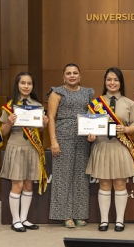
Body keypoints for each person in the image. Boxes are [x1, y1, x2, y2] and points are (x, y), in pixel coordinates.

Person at [86, 67, 134, 232]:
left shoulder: (129, 103)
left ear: (121, 82)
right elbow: (90, 126)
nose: (112, 83)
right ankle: (104, 221)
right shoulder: (96, 104)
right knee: (103, 183)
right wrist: (91, 136)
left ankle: (119, 221)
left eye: (116, 80)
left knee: (119, 183)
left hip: (121, 147)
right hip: (102, 146)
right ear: (105, 81)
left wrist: (125, 130)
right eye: (109, 79)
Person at [47, 63, 95, 228]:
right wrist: (53, 140)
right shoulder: (57, 92)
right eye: (69, 73)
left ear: (80, 76)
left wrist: (93, 132)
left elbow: (92, 115)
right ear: (64, 76)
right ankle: (65, 215)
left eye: (75, 73)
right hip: (63, 136)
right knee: (62, 176)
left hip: (83, 138)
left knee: (81, 177)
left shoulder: (88, 92)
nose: (72, 75)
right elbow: (51, 117)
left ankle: (79, 214)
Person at [0, 72, 49, 232]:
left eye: (29, 83)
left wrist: (44, 124)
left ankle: (24, 219)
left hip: (32, 148)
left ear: (32, 86)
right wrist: (8, 122)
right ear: (18, 85)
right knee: (18, 184)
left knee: (29, 185)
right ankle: (16, 221)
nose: (26, 86)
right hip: (16, 147)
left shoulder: (37, 105)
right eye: (23, 83)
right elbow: (3, 131)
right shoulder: (10, 105)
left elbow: (39, 130)